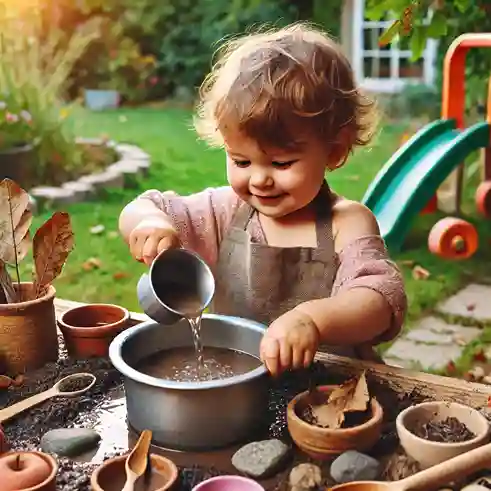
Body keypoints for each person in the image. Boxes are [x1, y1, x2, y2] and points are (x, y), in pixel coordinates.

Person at [119, 22, 407, 376]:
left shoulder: (345, 223)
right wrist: (150, 224)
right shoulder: (224, 212)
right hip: (239, 383)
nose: (259, 179)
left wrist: (312, 321)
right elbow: (145, 206)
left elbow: (380, 299)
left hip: (332, 391)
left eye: (281, 163)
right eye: (241, 161)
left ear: (335, 150)